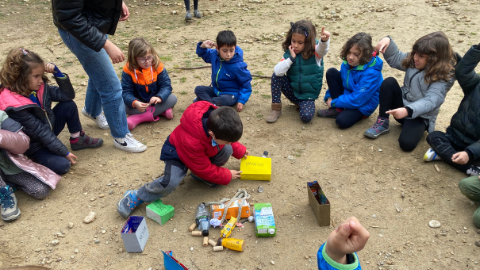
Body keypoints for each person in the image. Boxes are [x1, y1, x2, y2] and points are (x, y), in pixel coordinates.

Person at [117, 101, 249, 218]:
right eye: (227, 141)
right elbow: (203, 168)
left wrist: (241, 151)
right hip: (177, 153)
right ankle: (137, 196)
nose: (229, 142)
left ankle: (200, 176)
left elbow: (226, 141)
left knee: (227, 149)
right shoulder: (193, 141)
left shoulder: (216, 124)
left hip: (199, 153)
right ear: (212, 134)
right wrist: (226, 174)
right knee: (170, 182)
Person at [52, 0, 147, 152]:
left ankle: (92, 110)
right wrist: (106, 44)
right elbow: (68, 16)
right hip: (78, 31)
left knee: (100, 74)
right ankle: (121, 137)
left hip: (93, 23)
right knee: (111, 86)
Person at [0, 48, 103, 175]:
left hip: (48, 129)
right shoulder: (15, 105)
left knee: (68, 105)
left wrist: (58, 74)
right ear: (21, 76)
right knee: (63, 165)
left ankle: (77, 139)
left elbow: (67, 96)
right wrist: (64, 152)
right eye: (36, 76)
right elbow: (40, 131)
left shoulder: (39, 88)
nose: (40, 80)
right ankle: (33, 160)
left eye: (41, 75)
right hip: (34, 145)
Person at [364, 32, 457, 152]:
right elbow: (397, 58)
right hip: (401, 108)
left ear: (434, 59)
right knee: (389, 82)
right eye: (415, 53)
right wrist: (388, 41)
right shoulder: (415, 60)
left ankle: (413, 127)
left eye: (421, 56)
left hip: (420, 115)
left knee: (406, 144)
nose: (415, 58)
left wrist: (408, 110)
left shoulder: (443, 77)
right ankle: (383, 121)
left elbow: (431, 101)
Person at [424, 44, 480, 176]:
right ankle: (468, 168)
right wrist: (478, 49)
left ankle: (446, 155)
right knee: (434, 136)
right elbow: (462, 71)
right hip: (455, 137)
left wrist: (469, 152)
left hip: (475, 146)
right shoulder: (475, 85)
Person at [0, 111, 61, 222]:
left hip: (8, 166)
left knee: (40, 190)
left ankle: (9, 183)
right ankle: (4, 193)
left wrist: (1, 137)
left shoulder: (1, 116)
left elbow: (23, 143)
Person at [266, 21, 330, 123]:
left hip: (307, 96)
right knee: (276, 76)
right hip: (293, 92)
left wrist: (324, 41)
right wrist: (291, 59)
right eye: (293, 41)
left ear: (308, 42)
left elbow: (322, 50)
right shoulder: (289, 53)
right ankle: (276, 109)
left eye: (300, 43)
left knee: (306, 117)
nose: (295, 45)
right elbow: (277, 72)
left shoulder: (316, 53)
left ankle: (303, 104)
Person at [318, 33, 383, 129]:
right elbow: (343, 79)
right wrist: (330, 96)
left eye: (356, 54)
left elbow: (358, 99)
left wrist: (334, 102)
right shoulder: (348, 63)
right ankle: (338, 109)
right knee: (331, 72)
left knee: (341, 122)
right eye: (349, 52)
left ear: (365, 54)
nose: (350, 57)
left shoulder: (372, 73)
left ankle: (351, 111)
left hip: (362, 104)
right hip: (350, 93)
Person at [121, 38, 177, 131]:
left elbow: (166, 86)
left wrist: (159, 97)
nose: (147, 61)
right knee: (120, 106)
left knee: (173, 98)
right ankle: (161, 111)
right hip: (139, 104)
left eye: (149, 57)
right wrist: (135, 102)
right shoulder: (128, 70)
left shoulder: (157, 65)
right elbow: (125, 92)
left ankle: (138, 118)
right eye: (142, 59)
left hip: (155, 102)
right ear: (134, 58)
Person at [195, 30, 252, 112]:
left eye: (231, 50)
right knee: (199, 89)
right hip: (216, 90)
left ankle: (205, 103)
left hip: (231, 94)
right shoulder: (214, 55)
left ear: (235, 48)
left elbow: (246, 84)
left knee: (224, 99)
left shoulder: (238, 66)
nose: (228, 54)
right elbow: (204, 54)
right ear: (217, 48)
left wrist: (241, 100)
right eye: (225, 51)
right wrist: (203, 46)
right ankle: (210, 104)